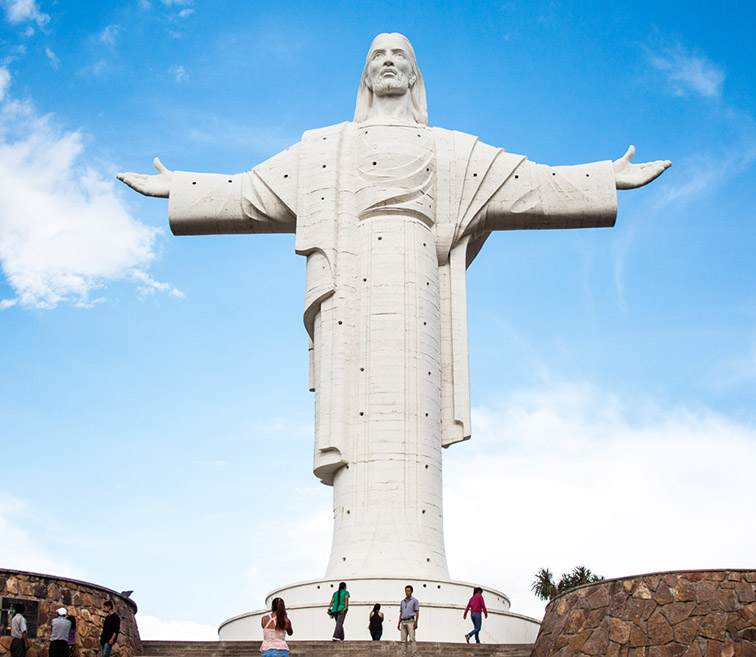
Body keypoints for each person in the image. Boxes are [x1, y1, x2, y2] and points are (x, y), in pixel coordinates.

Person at [117, 33, 670, 583]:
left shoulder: (451, 150)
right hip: (350, 286)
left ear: (413, 75)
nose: (387, 63)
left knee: (410, 415)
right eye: (377, 56)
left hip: (417, 281)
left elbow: (532, 185)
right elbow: (249, 192)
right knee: (357, 428)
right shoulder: (325, 149)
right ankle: (353, 560)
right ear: (366, 75)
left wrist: (602, 177)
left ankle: (419, 561)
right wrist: (181, 187)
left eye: (398, 56)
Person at [398, 585, 419, 657]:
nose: (407, 592)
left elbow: (417, 612)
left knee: (412, 639)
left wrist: (416, 622)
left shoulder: (414, 601)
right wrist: (399, 623)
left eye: (408, 591)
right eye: (406, 591)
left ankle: (414, 654)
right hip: (403, 621)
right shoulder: (402, 602)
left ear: (411, 592)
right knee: (403, 641)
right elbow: (401, 612)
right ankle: (403, 655)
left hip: (410, 621)